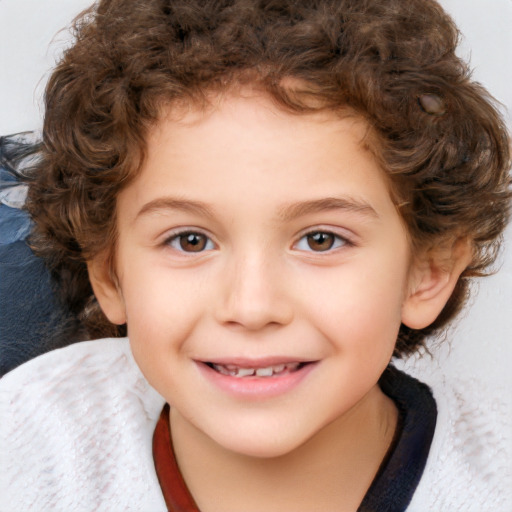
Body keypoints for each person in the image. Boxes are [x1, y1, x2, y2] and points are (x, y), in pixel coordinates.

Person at [0, 0, 510, 510]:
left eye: (321, 240)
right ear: (110, 274)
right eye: (190, 240)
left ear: (429, 271)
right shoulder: (25, 444)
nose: (251, 307)